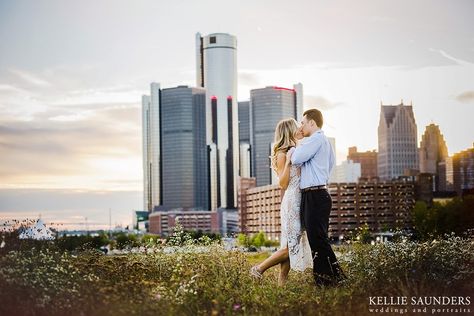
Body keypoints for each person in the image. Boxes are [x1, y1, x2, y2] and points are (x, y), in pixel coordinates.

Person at [250, 118, 312, 286]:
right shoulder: (282, 153)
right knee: (292, 246)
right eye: (296, 127)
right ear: (289, 130)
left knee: (290, 244)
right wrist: (289, 162)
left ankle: (281, 287)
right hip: (292, 201)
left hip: (300, 200)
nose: (300, 128)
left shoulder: (297, 150)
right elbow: (282, 183)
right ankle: (259, 269)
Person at [289, 108, 345, 287]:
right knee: (318, 240)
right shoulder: (324, 141)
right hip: (316, 194)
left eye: (303, 123)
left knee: (318, 240)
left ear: (312, 123)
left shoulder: (316, 139)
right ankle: (331, 278)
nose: (301, 126)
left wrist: (297, 142)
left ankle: (327, 280)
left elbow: (296, 159)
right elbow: (329, 166)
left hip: (315, 195)